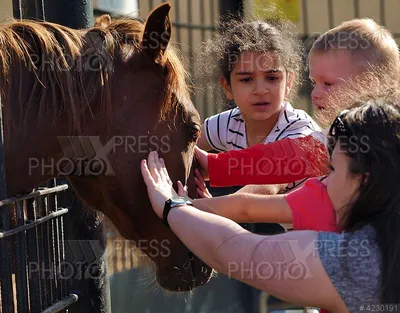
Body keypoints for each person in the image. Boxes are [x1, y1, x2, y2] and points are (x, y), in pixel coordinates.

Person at [141, 98, 400, 313]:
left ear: (363, 182)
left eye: (331, 170)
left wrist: (171, 206)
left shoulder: (360, 260)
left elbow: (243, 253)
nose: (323, 181)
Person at [192, 18, 400, 233]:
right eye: (314, 83)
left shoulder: (351, 140)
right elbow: (279, 160)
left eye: (327, 83)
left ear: (369, 84)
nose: (315, 94)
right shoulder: (333, 136)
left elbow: (280, 164)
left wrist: (193, 203)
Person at [195, 17, 320, 154]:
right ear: (227, 87)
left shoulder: (300, 131)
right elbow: (182, 148)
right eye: (246, 80)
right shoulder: (227, 124)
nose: (260, 91)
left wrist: (210, 165)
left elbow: (265, 167)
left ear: (288, 82)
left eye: (272, 78)